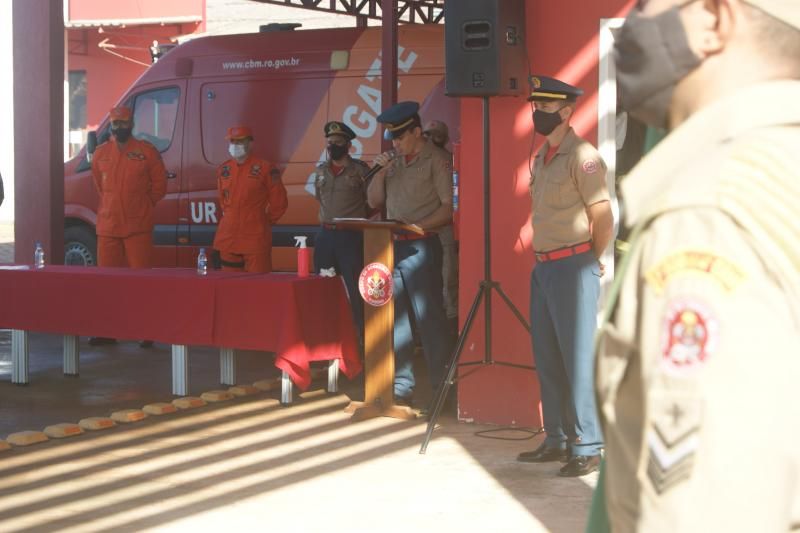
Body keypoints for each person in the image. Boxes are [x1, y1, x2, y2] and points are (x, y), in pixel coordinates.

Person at [589, 1, 800, 531]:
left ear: (712, 19)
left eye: (647, 6)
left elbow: (708, 509)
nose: (633, 23)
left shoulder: (709, 211)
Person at [516, 76, 614, 477]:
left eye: (546, 106)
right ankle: (556, 439)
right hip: (544, 267)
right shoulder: (542, 155)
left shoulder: (582, 155)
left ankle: (588, 445)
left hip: (572, 266)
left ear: (567, 111)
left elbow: (603, 215)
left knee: (577, 358)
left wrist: (590, 258)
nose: (538, 112)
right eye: (535, 105)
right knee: (548, 358)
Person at [367, 101, 454, 407]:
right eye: (392, 138)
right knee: (398, 320)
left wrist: (418, 226)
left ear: (417, 132)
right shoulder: (395, 163)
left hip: (423, 245)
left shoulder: (437, 160)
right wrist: (380, 172)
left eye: (401, 137)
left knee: (429, 320)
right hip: (393, 245)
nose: (396, 143)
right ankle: (402, 388)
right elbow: (375, 202)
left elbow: (448, 207)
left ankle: (442, 390)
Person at [90, 105, 167, 347]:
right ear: (111, 125)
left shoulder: (146, 152)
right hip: (109, 227)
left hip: (137, 228)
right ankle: (107, 331)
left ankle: (147, 331)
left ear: (131, 124)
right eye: (116, 124)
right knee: (107, 283)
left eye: (124, 123)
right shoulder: (101, 153)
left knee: (142, 282)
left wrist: (142, 206)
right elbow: (100, 187)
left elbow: (159, 186)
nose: (120, 128)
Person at [312, 121, 369, 344]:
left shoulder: (360, 171)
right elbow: (320, 197)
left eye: (337, 142)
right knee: (324, 288)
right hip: (326, 235)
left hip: (351, 236)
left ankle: (361, 338)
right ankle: (327, 338)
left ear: (348, 145)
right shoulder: (320, 171)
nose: (333, 146)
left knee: (356, 289)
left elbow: (372, 201)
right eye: (329, 143)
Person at [212, 126, 288, 273]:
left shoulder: (265, 168)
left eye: (240, 141)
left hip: (254, 239)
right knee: (229, 288)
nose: (235, 145)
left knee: (258, 288)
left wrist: (263, 221)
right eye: (232, 141)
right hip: (228, 237)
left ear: (250, 143)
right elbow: (223, 201)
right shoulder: (224, 169)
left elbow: (279, 203)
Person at [423, 120, 459, 330]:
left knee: (447, 282)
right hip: (423, 231)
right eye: (428, 135)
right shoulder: (423, 162)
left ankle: (449, 330)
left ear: (444, 138)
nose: (432, 139)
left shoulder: (447, 161)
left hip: (444, 230)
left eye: (436, 135)